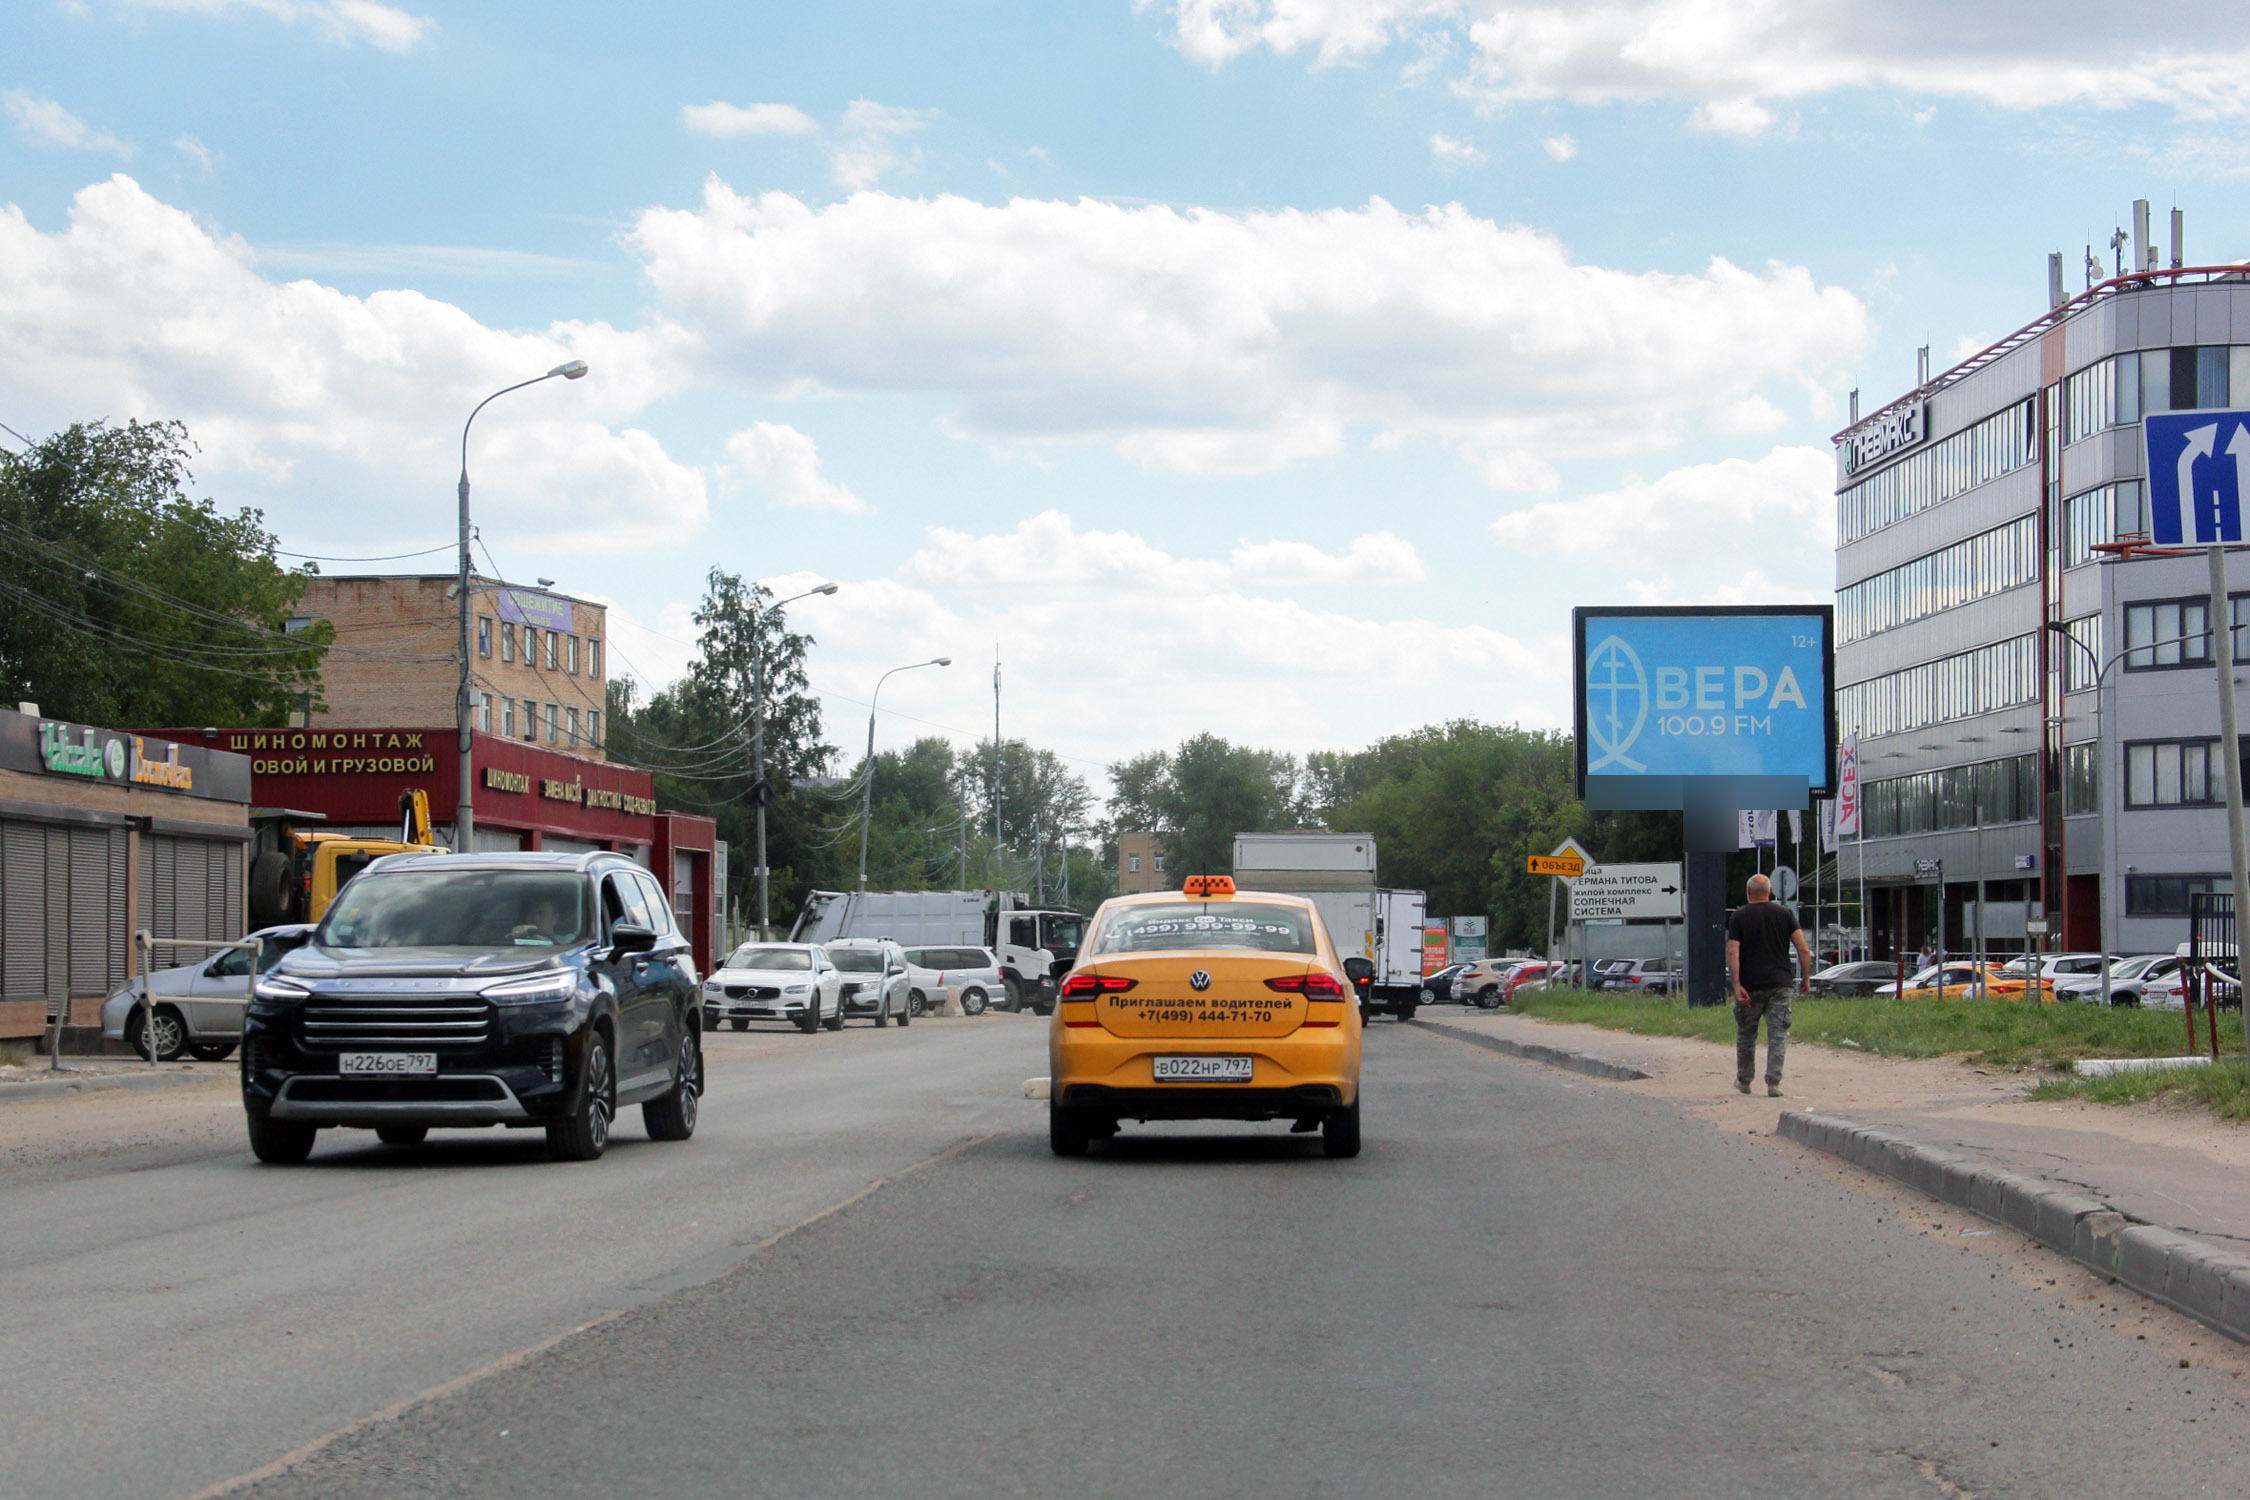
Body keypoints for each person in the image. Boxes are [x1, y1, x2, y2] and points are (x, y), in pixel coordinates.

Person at [1727, 873, 1813, 1097]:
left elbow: (1733, 951)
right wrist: (1806, 977)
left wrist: (1736, 984)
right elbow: (1803, 948)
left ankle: (1744, 1081)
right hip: (1780, 984)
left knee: (1746, 1034)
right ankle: (1773, 1083)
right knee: (1777, 1034)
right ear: (1770, 892)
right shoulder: (1785, 914)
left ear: (1748, 893)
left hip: (1750, 985)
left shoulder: (1739, 916)